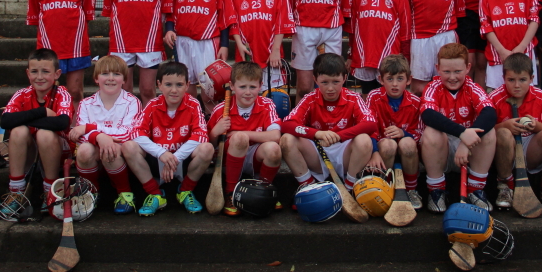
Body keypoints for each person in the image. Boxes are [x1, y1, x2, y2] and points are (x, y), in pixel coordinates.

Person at [280, 53, 377, 193]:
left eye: (335, 82)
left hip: (345, 154)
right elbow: (287, 124)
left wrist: (340, 136)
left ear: (344, 78)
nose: (330, 88)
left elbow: (371, 124)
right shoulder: (310, 99)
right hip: (318, 152)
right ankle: (308, 187)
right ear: (315, 80)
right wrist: (317, 134)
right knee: (286, 140)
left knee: (364, 140)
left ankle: (350, 189)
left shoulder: (353, 98)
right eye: (324, 82)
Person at [164, 0, 236, 116]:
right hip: (183, 41)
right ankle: (191, 123)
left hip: (208, 42)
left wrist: (225, 44)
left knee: (209, 90)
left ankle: (212, 126)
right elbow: (170, 12)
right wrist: (169, 30)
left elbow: (225, 15)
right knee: (187, 88)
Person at [129, 61, 214, 215]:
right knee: (129, 146)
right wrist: (161, 153)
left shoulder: (193, 104)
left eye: (179, 85)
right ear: (159, 85)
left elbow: (201, 134)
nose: (174, 90)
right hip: (158, 159)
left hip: (183, 159)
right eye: (168, 84)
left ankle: (185, 190)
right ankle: (155, 193)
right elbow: (136, 133)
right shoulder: (152, 105)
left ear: (187, 85)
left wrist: (175, 157)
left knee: (207, 148)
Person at [420, 43, 496, 212]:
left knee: (489, 131)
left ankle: (476, 190)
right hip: (443, 150)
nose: (452, 77)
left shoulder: (473, 88)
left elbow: (490, 113)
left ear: (468, 68)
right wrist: (462, 133)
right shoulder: (433, 87)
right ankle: (436, 191)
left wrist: (466, 141)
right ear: (437, 68)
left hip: (469, 151)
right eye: (447, 72)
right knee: (431, 132)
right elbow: (428, 115)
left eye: (457, 71)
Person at [0, 48, 73, 218]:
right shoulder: (22, 94)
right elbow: (5, 121)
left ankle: (50, 191)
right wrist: (42, 112)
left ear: (57, 74)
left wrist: (24, 119)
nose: (39, 77)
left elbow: (62, 122)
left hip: (57, 149)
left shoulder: (62, 94)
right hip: (30, 151)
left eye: (45, 71)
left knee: (44, 133)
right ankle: (16, 192)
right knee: (18, 131)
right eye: (34, 71)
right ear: (27, 73)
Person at [490, 53, 542, 210]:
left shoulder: (540, 97)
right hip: (506, 152)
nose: (517, 85)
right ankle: (505, 186)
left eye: (522, 80)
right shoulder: (495, 98)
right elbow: (484, 131)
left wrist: (536, 126)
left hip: (532, 149)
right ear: (503, 78)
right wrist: (505, 126)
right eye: (511, 80)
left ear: (532, 78)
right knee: (503, 133)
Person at [207, 62, 283, 216]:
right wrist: (215, 131)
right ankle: (230, 193)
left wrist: (240, 133)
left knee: (273, 149)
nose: (248, 92)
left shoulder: (266, 104)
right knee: (240, 139)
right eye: (242, 87)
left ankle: (264, 190)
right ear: (232, 86)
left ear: (260, 86)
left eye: (252, 87)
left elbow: (275, 136)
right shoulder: (221, 109)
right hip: (230, 157)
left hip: (256, 155)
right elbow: (209, 145)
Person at [69, 56, 141, 214]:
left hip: (119, 155)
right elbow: (78, 135)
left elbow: (128, 132)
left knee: (111, 147)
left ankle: (125, 193)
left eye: (116, 74)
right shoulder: (86, 104)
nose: (110, 78)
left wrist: (91, 128)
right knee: (84, 150)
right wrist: (99, 137)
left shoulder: (132, 102)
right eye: (105, 74)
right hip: (93, 154)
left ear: (124, 79)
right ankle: (92, 192)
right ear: (96, 79)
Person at [346, 0, 411, 95]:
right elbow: (352, 25)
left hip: (390, 54)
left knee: (388, 95)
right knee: (368, 95)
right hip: (365, 54)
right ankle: (368, 120)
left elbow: (405, 25)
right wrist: (350, 55)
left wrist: (405, 56)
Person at [479, 0, 540, 90]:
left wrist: (522, 46)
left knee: (526, 94)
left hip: (524, 53)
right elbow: (485, 24)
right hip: (498, 55)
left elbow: (534, 19)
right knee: (496, 95)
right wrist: (501, 50)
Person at [364, 54, 423, 209]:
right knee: (388, 144)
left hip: (408, 151)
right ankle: (384, 187)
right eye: (390, 79)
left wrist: (404, 133)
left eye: (400, 79)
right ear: (381, 80)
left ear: (409, 80)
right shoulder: (373, 97)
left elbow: (421, 132)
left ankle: (411, 189)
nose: (395, 84)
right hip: (384, 149)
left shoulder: (416, 102)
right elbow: (368, 127)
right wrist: (374, 151)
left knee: (408, 143)